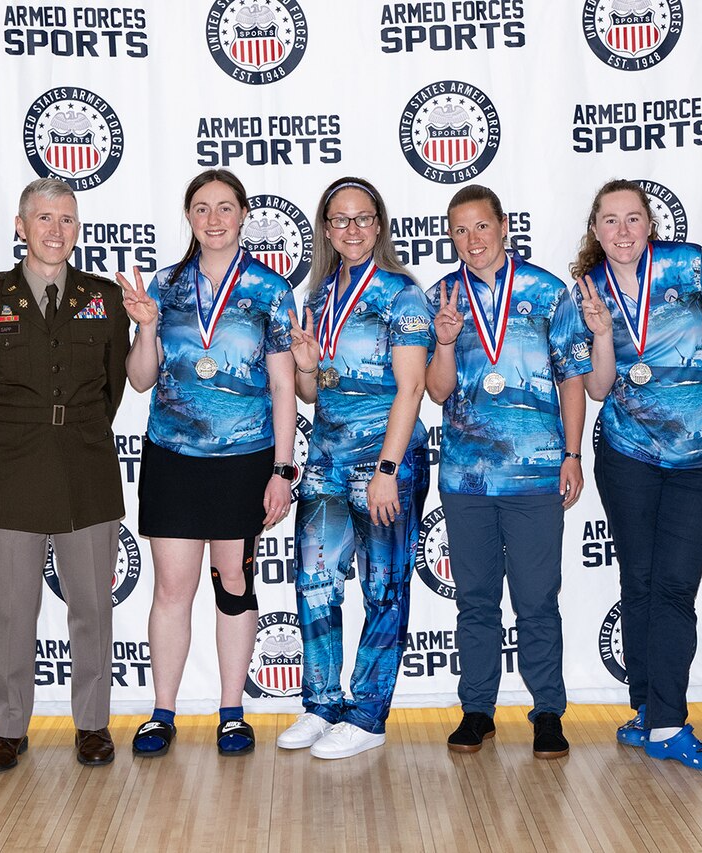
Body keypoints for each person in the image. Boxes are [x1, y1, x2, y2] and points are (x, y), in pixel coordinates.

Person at [0, 178, 130, 772]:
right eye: (45, 218)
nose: (56, 231)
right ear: (21, 226)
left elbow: (111, 388)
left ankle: (92, 724)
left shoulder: (103, 299)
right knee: (10, 610)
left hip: (86, 466)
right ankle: (7, 729)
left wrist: (68, 428)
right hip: (8, 469)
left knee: (91, 609)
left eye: (68, 220)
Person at [119, 169, 296, 757]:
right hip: (173, 457)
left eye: (225, 207)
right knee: (172, 587)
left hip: (245, 460)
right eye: (202, 208)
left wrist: (283, 469)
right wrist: (145, 330)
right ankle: (162, 712)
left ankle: (231, 711)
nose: (214, 219)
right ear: (188, 217)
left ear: (244, 214)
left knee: (233, 583)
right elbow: (141, 381)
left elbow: (281, 385)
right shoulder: (164, 287)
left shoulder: (271, 290)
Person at [571, 179, 702, 772]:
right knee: (638, 582)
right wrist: (597, 333)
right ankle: (648, 711)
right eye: (610, 220)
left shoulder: (689, 264)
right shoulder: (586, 290)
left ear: (651, 224)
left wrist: (687, 393)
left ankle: (666, 720)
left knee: (673, 586)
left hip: (698, 456)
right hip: (627, 455)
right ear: (595, 229)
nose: (622, 231)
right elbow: (595, 387)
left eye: (633, 219)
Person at [425, 185, 589, 758]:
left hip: (536, 474)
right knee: (474, 599)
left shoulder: (548, 292)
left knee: (538, 598)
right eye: (460, 231)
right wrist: (443, 343)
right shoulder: (441, 296)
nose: (472, 240)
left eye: (481, 227)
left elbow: (572, 377)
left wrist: (572, 454)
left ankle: (547, 711)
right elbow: (437, 390)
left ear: (503, 226)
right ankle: (477, 709)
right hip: (467, 477)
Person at [276, 177, 432, 760]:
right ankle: (321, 705)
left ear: (379, 224)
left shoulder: (401, 294)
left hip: (385, 462)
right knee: (315, 583)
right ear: (325, 229)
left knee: (383, 588)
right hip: (327, 461)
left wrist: (389, 468)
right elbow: (316, 393)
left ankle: (368, 714)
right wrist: (309, 367)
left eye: (362, 218)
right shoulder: (318, 298)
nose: (351, 229)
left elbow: (412, 387)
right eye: (339, 220)